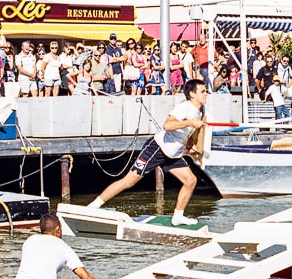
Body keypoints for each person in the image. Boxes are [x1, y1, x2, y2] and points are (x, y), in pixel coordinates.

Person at [88, 77, 208, 226]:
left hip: (173, 155)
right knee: (129, 181)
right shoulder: (184, 107)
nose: (206, 94)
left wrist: (190, 145)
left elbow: (187, 133)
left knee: (191, 180)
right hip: (157, 148)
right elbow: (167, 125)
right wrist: (190, 122)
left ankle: (178, 216)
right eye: (202, 91)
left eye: (206, 91)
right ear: (192, 94)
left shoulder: (199, 111)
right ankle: (94, 206)